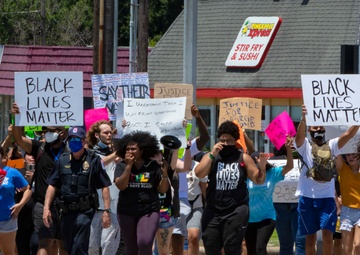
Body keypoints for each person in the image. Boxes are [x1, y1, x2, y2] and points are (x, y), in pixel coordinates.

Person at [294, 104, 359, 255]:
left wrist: (358, 120)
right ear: (309, 131)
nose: (318, 130)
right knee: (310, 238)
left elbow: (348, 135)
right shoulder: (305, 147)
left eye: (321, 128)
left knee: (328, 236)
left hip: (327, 199)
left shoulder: (332, 145)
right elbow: (298, 137)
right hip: (307, 198)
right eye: (315, 128)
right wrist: (303, 118)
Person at [195, 120, 266, 255]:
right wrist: (212, 153)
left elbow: (258, 180)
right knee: (210, 245)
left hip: (236, 210)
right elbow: (199, 173)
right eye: (223, 140)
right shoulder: (212, 157)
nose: (226, 144)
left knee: (232, 247)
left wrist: (261, 168)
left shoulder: (243, 158)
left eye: (229, 141)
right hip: (213, 210)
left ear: (236, 141)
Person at [43, 126, 112, 255]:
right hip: (66, 212)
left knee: (79, 247)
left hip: (85, 211)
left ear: (84, 141)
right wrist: (46, 208)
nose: (74, 142)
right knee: (69, 247)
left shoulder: (93, 160)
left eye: (77, 139)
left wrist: (106, 211)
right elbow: (52, 185)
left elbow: (104, 186)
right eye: (71, 139)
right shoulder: (62, 160)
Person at [11, 102, 68, 255]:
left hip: (66, 206)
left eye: (51, 131)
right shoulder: (39, 148)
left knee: (64, 247)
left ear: (61, 133)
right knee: (44, 243)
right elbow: (19, 139)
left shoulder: (70, 151)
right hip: (42, 203)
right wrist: (17, 118)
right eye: (45, 131)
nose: (47, 133)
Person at [114, 131, 170, 255]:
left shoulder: (152, 165)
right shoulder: (121, 166)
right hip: (126, 211)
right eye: (128, 149)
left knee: (144, 243)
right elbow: (121, 186)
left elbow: (162, 189)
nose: (130, 151)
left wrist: (165, 174)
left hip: (148, 210)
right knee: (131, 249)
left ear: (142, 151)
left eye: (133, 149)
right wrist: (128, 166)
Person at [245, 135, 294, 255]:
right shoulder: (246, 175)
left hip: (267, 217)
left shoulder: (273, 173)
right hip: (249, 218)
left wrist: (288, 149)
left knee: (260, 248)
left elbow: (289, 166)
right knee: (251, 250)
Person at [172, 104, 210, 255]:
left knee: (193, 237)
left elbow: (205, 138)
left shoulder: (188, 146)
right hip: (173, 199)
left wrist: (198, 117)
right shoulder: (162, 148)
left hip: (191, 200)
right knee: (176, 238)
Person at [87, 120, 121, 255]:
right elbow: (98, 164)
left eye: (110, 133)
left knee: (108, 245)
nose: (109, 135)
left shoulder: (116, 152)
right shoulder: (91, 153)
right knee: (92, 247)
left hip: (113, 207)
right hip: (95, 206)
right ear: (96, 135)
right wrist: (115, 155)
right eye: (105, 133)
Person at [271, 145, 305, 255]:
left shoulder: (305, 158)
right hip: (279, 206)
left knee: (301, 241)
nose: (291, 144)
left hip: (299, 205)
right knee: (285, 243)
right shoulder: (273, 160)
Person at [0, 146, 32, 255]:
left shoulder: (12, 172)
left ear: (4, 158)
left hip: (7, 218)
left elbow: (28, 189)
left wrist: (20, 205)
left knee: (8, 252)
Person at [335, 152, 360, 254]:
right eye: (348, 154)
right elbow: (336, 148)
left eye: (354, 154)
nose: (351, 157)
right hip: (347, 212)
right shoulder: (343, 168)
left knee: (357, 245)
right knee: (346, 249)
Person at [15, 153, 39, 255]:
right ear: (24, 159)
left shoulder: (40, 174)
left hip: (36, 219)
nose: (32, 157)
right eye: (29, 155)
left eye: (34, 154)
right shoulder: (17, 173)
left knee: (35, 245)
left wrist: (35, 178)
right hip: (21, 219)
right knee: (22, 249)